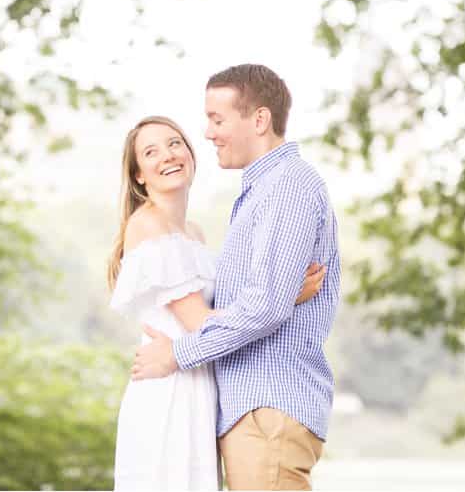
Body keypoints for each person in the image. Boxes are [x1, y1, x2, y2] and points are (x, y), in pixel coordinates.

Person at [131, 65, 341, 491]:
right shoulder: (262, 190)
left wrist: (178, 354)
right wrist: (284, 297)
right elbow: (263, 300)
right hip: (249, 411)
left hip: (267, 406)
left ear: (259, 120)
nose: (207, 133)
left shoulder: (288, 187)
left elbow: (264, 307)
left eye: (218, 119)